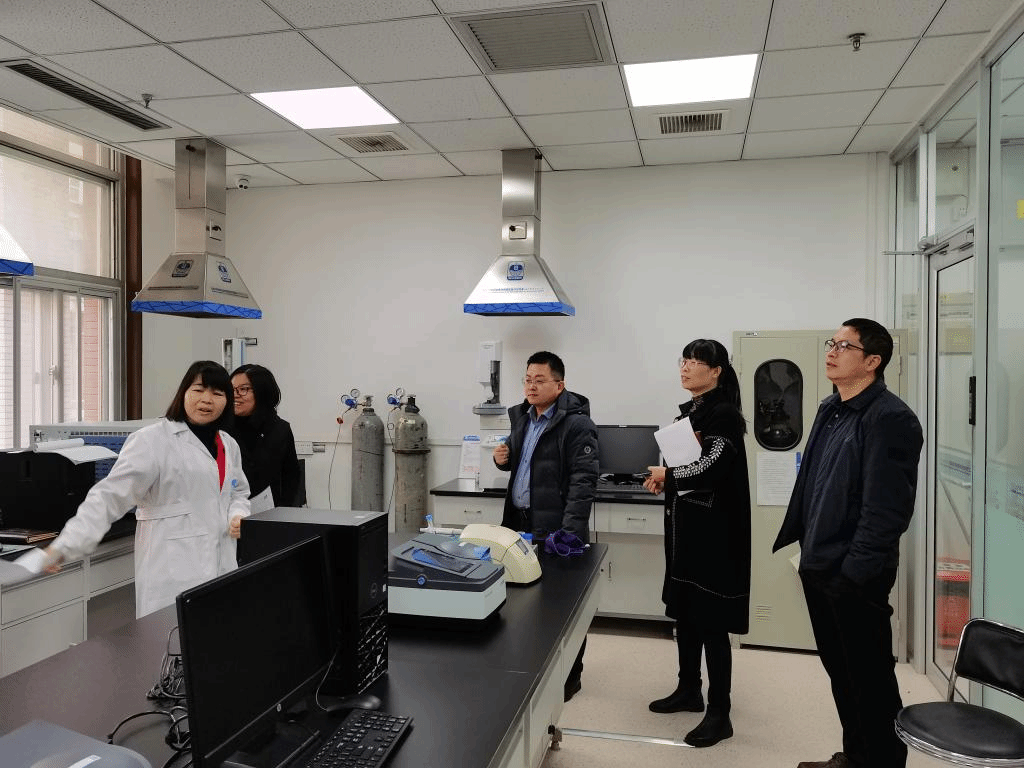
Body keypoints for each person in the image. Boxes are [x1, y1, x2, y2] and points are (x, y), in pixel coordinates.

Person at [773, 319, 923, 768]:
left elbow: (886, 513)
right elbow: (815, 485)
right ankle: (857, 757)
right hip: (819, 564)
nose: (831, 351)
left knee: (870, 679)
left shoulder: (891, 419)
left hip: (854, 576)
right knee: (842, 673)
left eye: (844, 345)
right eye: (831, 343)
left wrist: (853, 574)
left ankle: (883, 762)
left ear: (873, 361)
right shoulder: (831, 408)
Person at [45, 360, 251, 618]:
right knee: (169, 638)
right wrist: (65, 545)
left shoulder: (228, 444)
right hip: (171, 573)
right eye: (198, 390)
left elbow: (237, 492)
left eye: (217, 393)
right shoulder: (153, 440)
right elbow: (109, 497)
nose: (207, 400)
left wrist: (238, 515)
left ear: (227, 401)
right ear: (183, 393)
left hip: (222, 567)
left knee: (217, 636)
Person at [642, 339, 751, 748]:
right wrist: (664, 480)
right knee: (686, 616)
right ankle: (689, 689)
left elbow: (712, 465)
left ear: (716, 370)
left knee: (712, 623)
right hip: (687, 531)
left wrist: (668, 477)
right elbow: (687, 466)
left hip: (714, 537)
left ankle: (719, 712)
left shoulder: (724, 414)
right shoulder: (690, 413)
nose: (685, 367)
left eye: (695, 361)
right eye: (683, 360)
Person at [493, 350, 598, 701]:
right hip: (519, 523)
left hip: (556, 528)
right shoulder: (522, 417)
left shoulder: (577, 424)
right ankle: (533, 667)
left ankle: (571, 676)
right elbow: (523, 464)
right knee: (522, 600)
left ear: (559, 385)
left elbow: (583, 481)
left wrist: (569, 531)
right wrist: (501, 459)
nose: (531, 386)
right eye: (527, 380)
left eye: (539, 380)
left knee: (561, 605)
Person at [229, 363, 304, 509]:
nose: (235, 395)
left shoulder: (280, 429)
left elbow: (291, 474)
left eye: (243, 389)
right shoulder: (221, 427)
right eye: (231, 389)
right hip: (226, 511)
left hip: (269, 511)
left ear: (262, 392)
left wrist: (284, 509)